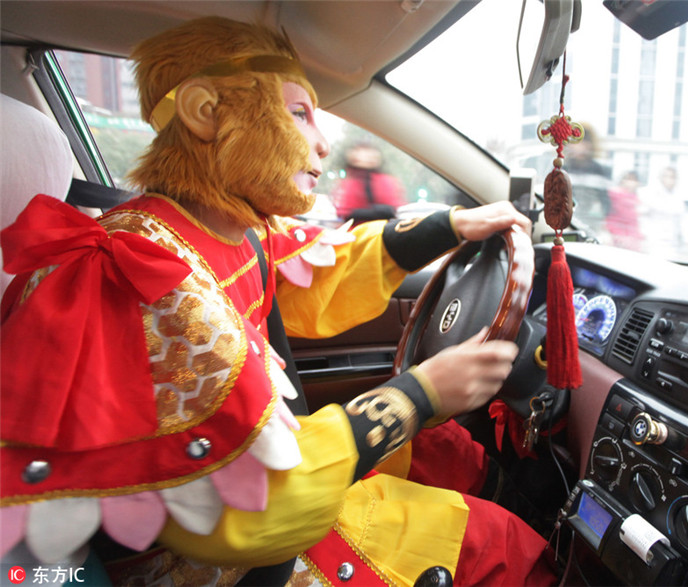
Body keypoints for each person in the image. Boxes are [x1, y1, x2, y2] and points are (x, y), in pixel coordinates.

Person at [0, 17, 557, 587]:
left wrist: (452, 225)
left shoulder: (220, 228)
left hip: (274, 478)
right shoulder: (147, 275)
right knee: (492, 542)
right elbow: (260, 504)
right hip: (221, 558)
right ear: (206, 113)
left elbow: (315, 278)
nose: (323, 142)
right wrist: (416, 395)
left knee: (440, 447)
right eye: (299, 114)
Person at [333, 141, 407, 224]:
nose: (367, 157)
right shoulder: (347, 184)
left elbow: (396, 208)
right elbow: (343, 212)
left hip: (383, 231)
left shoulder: (386, 181)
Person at [565, 123, 612, 238]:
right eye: (575, 142)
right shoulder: (562, 169)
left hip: (592, 228)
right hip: (566, 226)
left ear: (590, 145)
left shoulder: (599, 170)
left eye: (583, 142)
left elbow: (606, 205)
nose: (579, 147)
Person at [640, 166, 685, 255]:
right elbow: (642, 216)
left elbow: (681, 220)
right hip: (653, 242)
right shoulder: (650, 193)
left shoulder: (678, 197)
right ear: (660, 178)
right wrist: (647, 235)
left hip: (672, 243)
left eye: (672, 177)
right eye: (666, 176)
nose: (669, 179)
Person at [605, 170, 643, 251]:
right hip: (615, 234)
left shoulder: (637, 199)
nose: (630, 182)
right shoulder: (614, 194)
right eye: (628, 179)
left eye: (633, 180)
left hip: (632, 238)